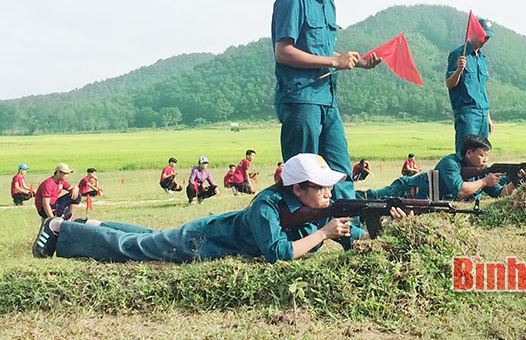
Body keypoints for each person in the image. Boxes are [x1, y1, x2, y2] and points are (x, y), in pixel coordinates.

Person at [32, 154, 409, 262]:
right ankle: (61, 230)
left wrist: (390, 229)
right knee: (138, 249)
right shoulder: (268, 205)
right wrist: (325, 234)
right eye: (323, 188)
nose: (330, 194)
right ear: (298, 187)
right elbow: (277, 253)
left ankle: (91, 221)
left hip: (212, 237)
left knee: (149, 237)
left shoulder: (315, 208)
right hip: (205, 239)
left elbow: (354, 236)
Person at [271, 0, 382, 205]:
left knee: (340, 168)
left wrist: (358, 61)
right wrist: (335, 61)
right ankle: (297, 233)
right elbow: (283, 51)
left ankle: (349, 230)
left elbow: (319, 50)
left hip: (326, 98)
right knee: (302, 174)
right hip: (302, 99)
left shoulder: (327, 1)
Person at [360, 134, 526, 201]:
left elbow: (500, 194)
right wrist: (484, 181)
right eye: (482, 155)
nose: (486, 159)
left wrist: (517, 180)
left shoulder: (481, 172)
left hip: (421, 203)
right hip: (408, 189)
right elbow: (459, 190)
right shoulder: (451, 163)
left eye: (488, 156)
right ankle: (342, 196)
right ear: (469, 153)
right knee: (370, 198)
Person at [446, 17, 495, 153]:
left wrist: (488, 117)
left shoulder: (482, 59)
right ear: (473, 32)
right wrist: (459, 70)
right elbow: (449, 83)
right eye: (483, 36)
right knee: (466, 154)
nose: (484, 40)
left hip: (483, 113)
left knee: (482, 154)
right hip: (467, 113)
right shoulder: (458, 54)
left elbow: (482, 89)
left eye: (487, 38)